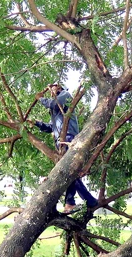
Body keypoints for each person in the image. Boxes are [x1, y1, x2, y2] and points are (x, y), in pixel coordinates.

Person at [31, 83, 98, 213]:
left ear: (60, 87)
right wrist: (36, 123)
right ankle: (75, 203)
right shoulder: (56, 112)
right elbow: (51, 127)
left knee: (69, 172)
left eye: (54, 86)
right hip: (61, 141)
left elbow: (54, 104)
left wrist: (40, 99)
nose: (51, 88)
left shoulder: (65, 95)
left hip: (67, 138)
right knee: (70, 173)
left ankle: (81, 202)